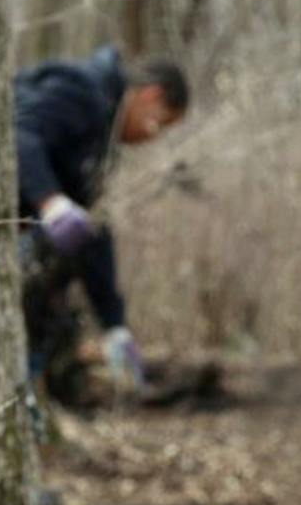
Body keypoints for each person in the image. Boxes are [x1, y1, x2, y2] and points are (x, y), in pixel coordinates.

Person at [14, 45, 188, 406]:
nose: (153, 136)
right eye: (161, 122)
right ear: (150, 95)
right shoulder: (80, 91)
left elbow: (92, 233)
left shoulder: (103, 139)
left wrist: (114, 324)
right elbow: (20, 134)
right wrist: (51, 200)